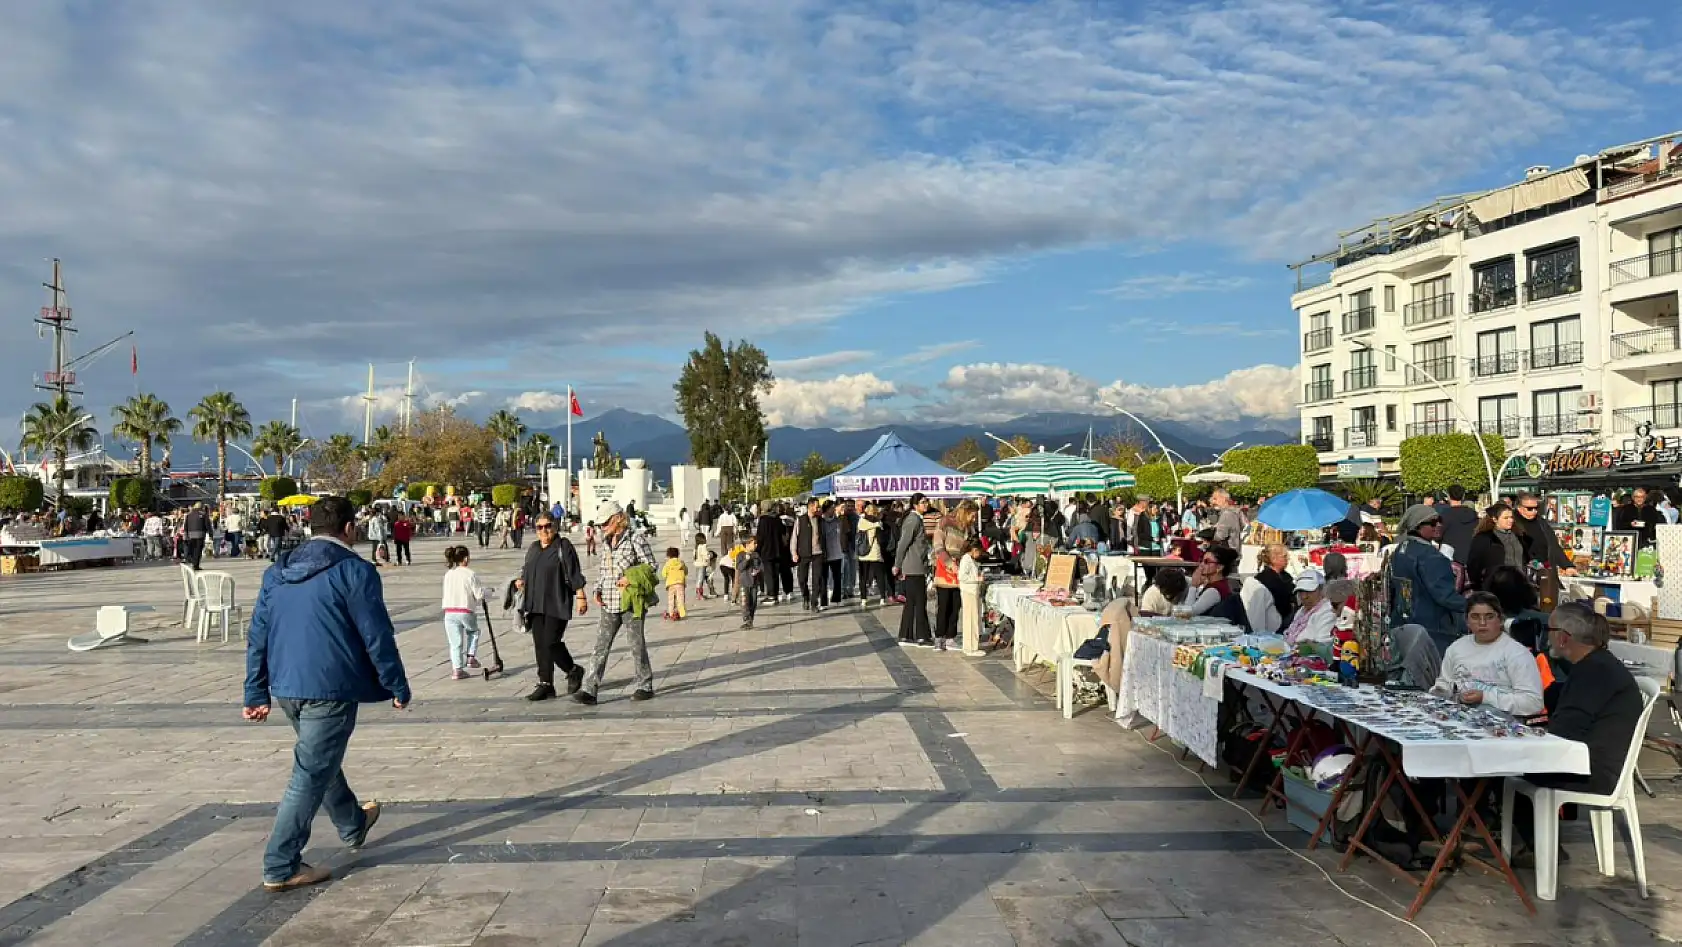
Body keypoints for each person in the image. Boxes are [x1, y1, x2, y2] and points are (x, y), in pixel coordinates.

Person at [242, 496, 409, 891]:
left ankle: (352, 822)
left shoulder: (276, 572)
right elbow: (377, 635)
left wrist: (256, 691)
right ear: (349, 529)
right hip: (329, 688)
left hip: (286, 684)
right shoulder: (354, 571)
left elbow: (258, 634)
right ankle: (281, 864)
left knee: (319, 758)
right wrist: (396, 684)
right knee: (310, 772)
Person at [1508, 603, 1646, 867]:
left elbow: (1565, 731)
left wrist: (1527, 732)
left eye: (1549, 629)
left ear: (1563, 637)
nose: (1546, 635)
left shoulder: (1594, 671)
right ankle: (1537, 843)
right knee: (1513, 761)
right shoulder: (1595, 664)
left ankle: (1541, 848)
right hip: (1592, 760)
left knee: (1505, 767)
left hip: (1594, 771)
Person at [578, 501, 659, 705]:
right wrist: (597, 588)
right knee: (600, 645)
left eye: (605, 523)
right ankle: (590, 688)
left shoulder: (635, 539)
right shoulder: (606, 542)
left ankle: (644, 684)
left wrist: (630, 578)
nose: (602, 527)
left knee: (636, 644)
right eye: (600, 525)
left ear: (617, 519)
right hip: (609, 601)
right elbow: (605, 569)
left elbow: (651, 566)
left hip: (630, 601)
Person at [1428, 591, 1544, 715]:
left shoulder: (1517, 654)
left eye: (1489, 617)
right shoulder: (1456, 648)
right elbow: (1445, 683)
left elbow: (1534, 703)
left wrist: (1485, 697)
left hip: (1501, 720)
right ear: (1467, 621)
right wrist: (1441, 691)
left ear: (1500, 620)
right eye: (1475, 617)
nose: (1482, 623)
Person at [516, 513, 588, 701]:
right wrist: (520, 582)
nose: (544, 530)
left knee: (551, 642)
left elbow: (574, 572)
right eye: (539, 527)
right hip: (535, 603)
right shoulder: (533, 548)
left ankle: (572, 669)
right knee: (540, 645)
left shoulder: (563, 546)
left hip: (557, 602)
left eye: (547, 526)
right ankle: (546, 683)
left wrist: (581, 596)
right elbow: (526, 570)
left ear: (555, 526)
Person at [1387, 504, 1467, 655]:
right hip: (1431, 629)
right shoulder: (1431, 557)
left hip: (1402, 624)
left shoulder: (1401, 549)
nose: (1438, 525)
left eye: (1439, 520)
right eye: (1432, 522)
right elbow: (1444, 596)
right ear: (1417, 526)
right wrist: (1474, 606)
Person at [931, 500, 977, 650]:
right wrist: (950, 563)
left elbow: (969, 547)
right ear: (964, 512)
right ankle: (939, 637)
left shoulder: (969, 528)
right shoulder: (945, 522)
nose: (974, 519)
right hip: (945, 567)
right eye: (972, 515)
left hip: (960, 568)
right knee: (944, 605)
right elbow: (938, 546)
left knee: (956, 604)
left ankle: (951, 637)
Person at [441, 545, 487, 679]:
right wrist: (488, 592)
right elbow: (479, 595)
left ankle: (457, 670)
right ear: (466, 558)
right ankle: (471, 656)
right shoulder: (470, 574)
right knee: (473, 632)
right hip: (465, 610)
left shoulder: (449, 574)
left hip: (449, 611)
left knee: (455, 642)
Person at [895, 493, 934, 646]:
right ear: (915, 504)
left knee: (912, 602)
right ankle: (921, 635)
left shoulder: (918, 519)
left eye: (927, 502)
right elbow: (902, 544)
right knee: (919, 601)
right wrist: (897, 564)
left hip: (916, 565)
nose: (926, 505)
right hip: (914, 566)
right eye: (923, 502)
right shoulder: (913, 520)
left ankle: (906, 634)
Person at [1467, 503, 1523, 591]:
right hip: (1496, 587)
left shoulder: (1518, 536)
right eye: (1506, 518)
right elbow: (1474, 564)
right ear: (1495, 519)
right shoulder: (1484, 538)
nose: (1510, 520)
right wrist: (1479, 586)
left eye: (1511, 517)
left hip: (1519, 584)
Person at [1514, 492, 1576, 574]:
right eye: (1530, 509)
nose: (1534, 511)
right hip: (1522, 572)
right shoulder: (1512, 524)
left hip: (1545, 570)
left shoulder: (1541, 522)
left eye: (1536, 508)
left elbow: (1553, 546)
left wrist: (1567, 565)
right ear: (1519, 508)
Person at [1283, 569, 1337, 646]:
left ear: (1322, 590)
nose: (1304, 596)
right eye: (1301, 591)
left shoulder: (1328, 612)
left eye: (1309, 591)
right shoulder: (1302, 611)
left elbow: (1323, 646)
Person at [1250, 544, 1296, 631]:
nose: (1288, 559)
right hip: (1275, 621)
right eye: (1284, 556)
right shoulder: (1267, 579)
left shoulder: (1284, 576)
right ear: (1274, 559)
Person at [794, 497, 826, 611]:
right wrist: (794, 552)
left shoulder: (820, 520)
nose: (818, 508)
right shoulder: (800, 520)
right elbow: (794, 537)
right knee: (802, 578)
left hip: (818, 552)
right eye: (816, 506)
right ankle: (805, 596)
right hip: (804, 553)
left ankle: (814, 603)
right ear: (810, 506)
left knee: (817, 579)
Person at [957, 538, 987, 657]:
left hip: (971, 591)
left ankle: (969, 645)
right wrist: (977, 579)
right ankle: (971, 647)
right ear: (974, 550)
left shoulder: (970, 560)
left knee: (972, 618)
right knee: (971, 619)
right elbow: (962, 576)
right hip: (969, 591)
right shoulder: (966, 560)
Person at [857, 503, 888, 605]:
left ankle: (863, 599)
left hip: (863, 552)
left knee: (863, 577)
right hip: (875, 551)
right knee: (879, 575)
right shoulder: (878, 522)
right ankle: (882, 597)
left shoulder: (862, 521)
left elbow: (860, 529)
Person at [1440, 484, 1479, 565]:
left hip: (1451, 558)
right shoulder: (1473, 514)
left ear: (1448, 496)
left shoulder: (1445, 515)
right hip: (1470, 557)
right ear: (1463, 496)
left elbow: (1438, 535)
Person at [737, 535, 763, 629]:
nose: (756, 545)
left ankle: (751, 619)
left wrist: (758, 570)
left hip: (754, 583)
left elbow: (761, 566)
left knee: (753, 602)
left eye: (756, 543)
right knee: (744, 602)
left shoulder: (756, 555)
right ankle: (746, 619)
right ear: (747, 544)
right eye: (754, 543)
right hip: (744, 583)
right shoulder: (740, 555)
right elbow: (739, 567)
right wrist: (746, 560)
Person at [661, 546, 688, 620]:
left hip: (671, 584)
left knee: (671, 599)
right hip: (680, 583)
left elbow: (663, 574)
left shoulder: (668, 563)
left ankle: (671, 613)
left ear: (668, 555)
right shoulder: (681, 562)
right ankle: (681, 613)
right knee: (681, 598)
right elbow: (686, 571)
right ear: (678, 554)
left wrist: (667, 575)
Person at [183, 502, 209, 569]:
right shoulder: (203, 514)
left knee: (192, 549)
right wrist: (210, 533)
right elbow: (207, 525)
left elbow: (185, 526)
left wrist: (185, 535)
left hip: (190, 535)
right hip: (200, 535)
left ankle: (192, 561)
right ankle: (196, 565)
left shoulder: (189, 515)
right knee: (198, 550)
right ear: (201, 507)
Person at [693, 532, 715, 600]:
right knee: (701, 579)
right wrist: (711, 555)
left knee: (699, 579)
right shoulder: (703, 546)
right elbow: (706, 555)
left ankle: (699, 594)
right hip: (702, 565)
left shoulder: (696, 547)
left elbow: (694, 556)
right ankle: (699, 594)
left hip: (697, 564)